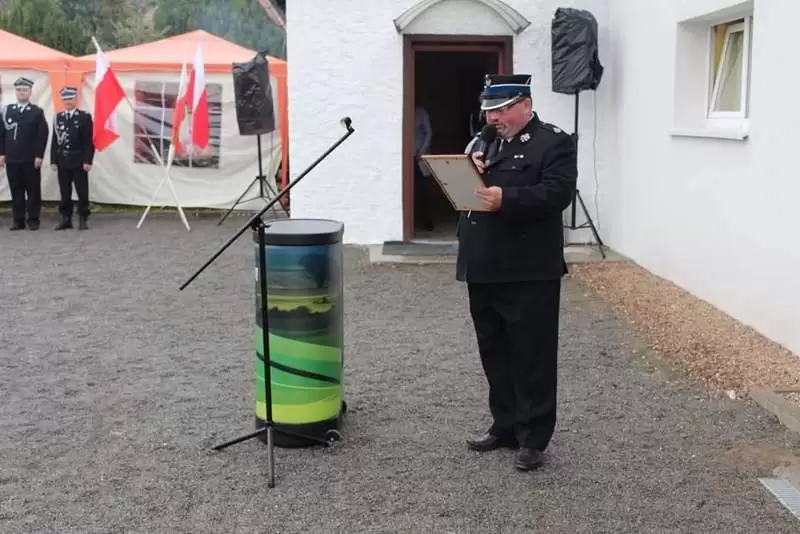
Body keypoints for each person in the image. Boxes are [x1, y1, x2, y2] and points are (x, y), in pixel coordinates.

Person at [457, 74, 577, 471]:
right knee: (494, 350)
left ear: (526, 105)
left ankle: (533, 438)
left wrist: (507, 199)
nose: (494, 118)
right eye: (490, 111)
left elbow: (558, 193)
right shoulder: (482, 142)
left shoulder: (552, 142)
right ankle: (504, 425)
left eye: (503, 109)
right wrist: (468, 172)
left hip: (528, 268)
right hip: (483, 262)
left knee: (532, 354)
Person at [0, 77, 49, 231]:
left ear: (30, 92)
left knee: (33, 190)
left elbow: (42, 135)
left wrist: (39, 155)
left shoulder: (36, 112)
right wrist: (1, 153)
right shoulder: (7, 111)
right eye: (19, 90)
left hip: (30, 158)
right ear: (15, 92)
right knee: (16, 190)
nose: (22, 92)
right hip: (12, 158)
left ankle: (33, 219)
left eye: (25, 90)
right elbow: (1, 134)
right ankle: (18, 220)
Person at [50, 86, 95, 230]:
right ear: (62, 100)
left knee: (82, 191)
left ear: (76, 99)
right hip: (63, 160)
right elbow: (55, 141)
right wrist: (53, 160)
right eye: (65, 99)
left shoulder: (84, 117)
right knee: (65, 191)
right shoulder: (58, 117)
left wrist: (88, 160)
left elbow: (88, 141)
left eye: (71, 98)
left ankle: (83, 218)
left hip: (78, 159)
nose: (68, 101)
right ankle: (66, 218)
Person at [414, 105, 434, 231]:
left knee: (423, 191)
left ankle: (426, 221)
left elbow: (429, 132)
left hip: (420, 157)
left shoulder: (421, 112)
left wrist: (422, 150)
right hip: (408, 158)